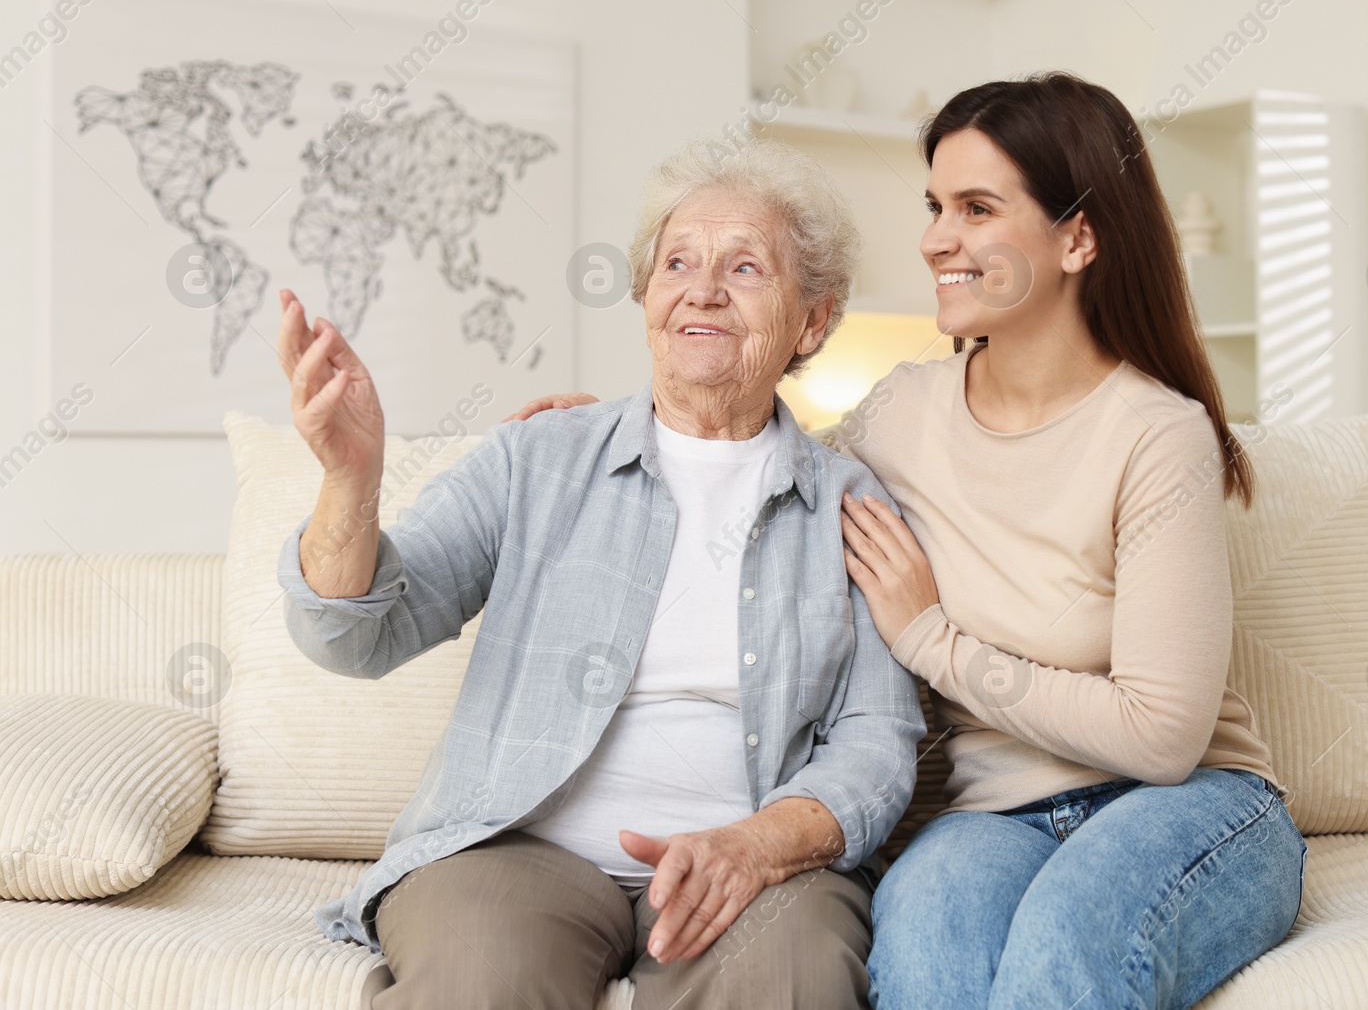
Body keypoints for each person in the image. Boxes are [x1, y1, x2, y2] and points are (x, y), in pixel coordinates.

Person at [513, 72, 1307, 1010]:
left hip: (1186, 806)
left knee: (1062, 948)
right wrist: (618, 435)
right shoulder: (900, 412)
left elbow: (1161, 736)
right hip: (990, 816)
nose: (936, 239)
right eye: (936, 205)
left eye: (976, 208)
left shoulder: (1157, 434)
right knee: (925, 964)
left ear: (1077, 238)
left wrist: (932, 638)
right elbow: (760, 474)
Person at [274, 136, 924, 1010]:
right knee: (480, 983)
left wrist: (758, 845)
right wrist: (350, 483)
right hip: (519, 848)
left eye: (745, 268)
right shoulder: (539, 457)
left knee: (796, 976)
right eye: (678, 262)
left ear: (812, 321)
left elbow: (879, 741)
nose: (702, 288)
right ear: (648, 296)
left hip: (753, 864)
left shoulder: (851, 501)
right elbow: (358, 634)